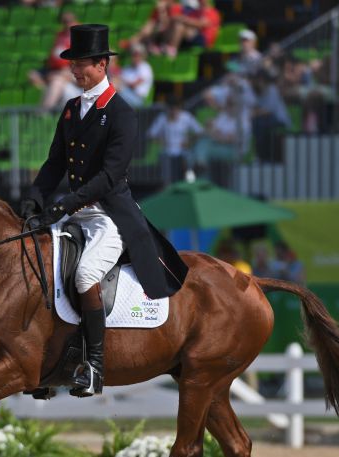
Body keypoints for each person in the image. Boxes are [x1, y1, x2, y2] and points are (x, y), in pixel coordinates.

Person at [19, 24, 188, 398]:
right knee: (38, 268)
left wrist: (68, 201)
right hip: (74, 211)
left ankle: (94, 366)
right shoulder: (70, 109)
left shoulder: (122, 112)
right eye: (72, 65)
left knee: (83, 276)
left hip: (109, 214)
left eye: (80, 64)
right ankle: (49, 366)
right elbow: (54, 163)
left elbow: (112, 175)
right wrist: (36, 196)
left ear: (101, 64)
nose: (74, 71)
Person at [147, 95, 204, 183]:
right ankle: (167, 184)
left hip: (184, 150)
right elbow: (150, 134)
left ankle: (189, 183)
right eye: (171, 109)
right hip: (167, 150)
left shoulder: (186, 117)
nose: (173, 111)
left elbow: (200, 131)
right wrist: (160, 141)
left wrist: (190, 141)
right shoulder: (162, 118)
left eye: (175, 108)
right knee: (165, 160)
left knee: (189, 159)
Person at [115, 43, 154, 108]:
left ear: (142, 55)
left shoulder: (145, 67)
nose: (136, 57)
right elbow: (118, 79)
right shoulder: (127, 67)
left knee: (116, 88)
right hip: (126, 93)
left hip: (139, 99)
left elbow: (134, 85)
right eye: (134, 54)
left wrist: (122, 82)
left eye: (138, 54)